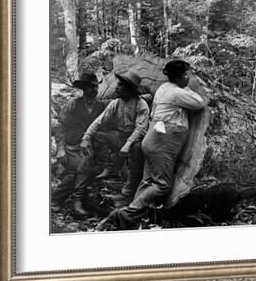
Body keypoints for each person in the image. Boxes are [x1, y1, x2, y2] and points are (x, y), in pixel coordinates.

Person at [97, 59, 206, 230]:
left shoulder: (164, 88)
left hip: (153, 139)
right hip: (162, 142)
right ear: (177, 77)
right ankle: (123, 215)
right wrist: (188, 87)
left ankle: (128, 221)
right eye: (186, 75)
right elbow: (200, 102)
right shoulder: (176, 92)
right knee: (162, 185)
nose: (188, 78)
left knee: (147, 182)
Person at [80, 70, 150, 200]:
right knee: (99, 136)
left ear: (129, 89)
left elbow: (141, 128)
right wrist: (86, 137)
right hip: (120, 137)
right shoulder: (116, 103)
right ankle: (110, 167)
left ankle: (130, 188)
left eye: (120, 86)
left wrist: (128, 144)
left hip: (136, 140)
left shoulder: (141, 104)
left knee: (137, 148)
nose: (117, 88)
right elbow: (99, 121)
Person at [51, 72, 106, 217]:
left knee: (83, 167)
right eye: (90, 87)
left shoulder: (102, 106)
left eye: (95, 87)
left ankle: (64, 200)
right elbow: (59, 127)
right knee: (77, 170)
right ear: (83, 88)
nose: (93, 90)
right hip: (71, 148)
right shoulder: (73, 104)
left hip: (90, 149)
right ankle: (62, 200)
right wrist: (61, 149)